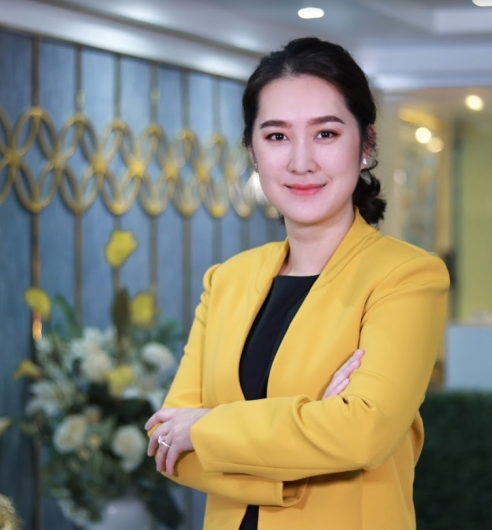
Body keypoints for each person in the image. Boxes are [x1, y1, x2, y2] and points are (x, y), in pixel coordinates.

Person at [145, 37, 449, 530]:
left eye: (326, 133)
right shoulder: (226, 281)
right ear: (252, 151)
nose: (301, 161)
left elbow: (362, 434)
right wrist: (309, 439)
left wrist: (206, 428)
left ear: (366, 144)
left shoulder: (406, 276)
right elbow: (167, 444)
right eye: (277, 136)